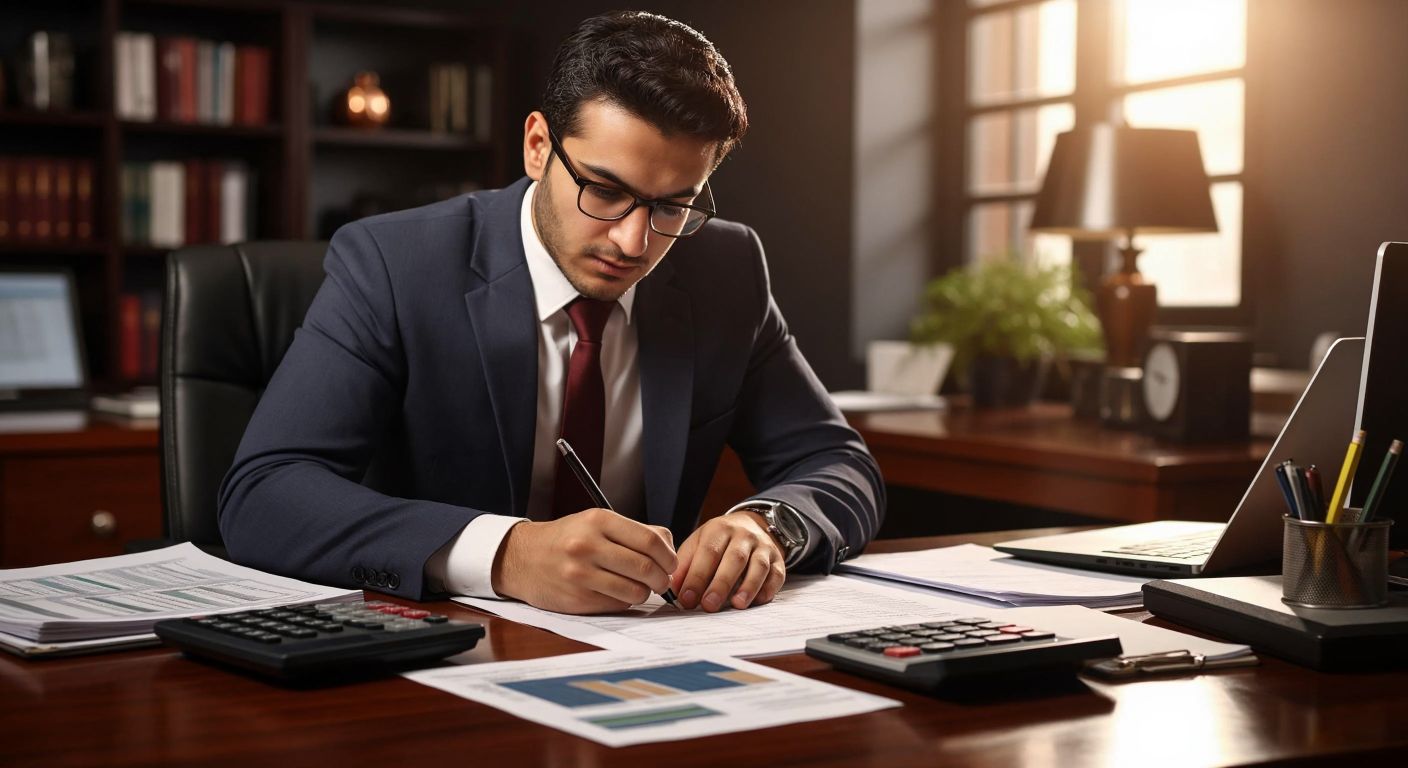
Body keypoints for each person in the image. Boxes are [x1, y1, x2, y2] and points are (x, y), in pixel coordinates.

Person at [218, 11, 883, 615]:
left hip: (643, 660)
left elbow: (837, 463)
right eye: (604, 190)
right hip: (427, 657)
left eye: (673, 206)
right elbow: (264, 492)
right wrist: (507, 555)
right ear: (538, 145)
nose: (633, 242)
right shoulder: (394, 263)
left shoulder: (725, 268)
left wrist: (767, 526)